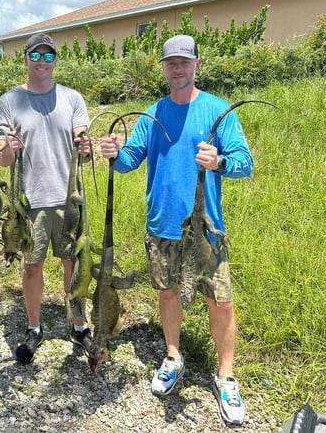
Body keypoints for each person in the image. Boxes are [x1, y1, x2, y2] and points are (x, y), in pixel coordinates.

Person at [99, 35, 249, 425]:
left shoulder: (218, 111)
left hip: (206, 228)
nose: (178, 68)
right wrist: (115, 153)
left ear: (197, 64)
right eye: (171, 63)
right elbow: (129, 161)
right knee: (168, 294)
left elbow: (244, 162)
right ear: (163, 68)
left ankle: (226, 377)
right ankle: (172, 356)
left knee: (222, 300)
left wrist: (218, 161)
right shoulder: (153, 113)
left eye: (185, 62)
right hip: (162, 224)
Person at [0, 33, 93, 364]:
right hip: (30, 199)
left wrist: (86, 146)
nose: (42, 62)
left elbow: (83, 141)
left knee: (73, 263)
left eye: (48, 56)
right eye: (35, 56)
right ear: (25, 60)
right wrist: (7, 147)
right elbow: (3, 155)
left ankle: (79, 326)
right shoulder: (10, 101)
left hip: (69, 199)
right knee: (32, 265)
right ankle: (35, 327)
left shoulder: (72, 98)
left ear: (55, 61)